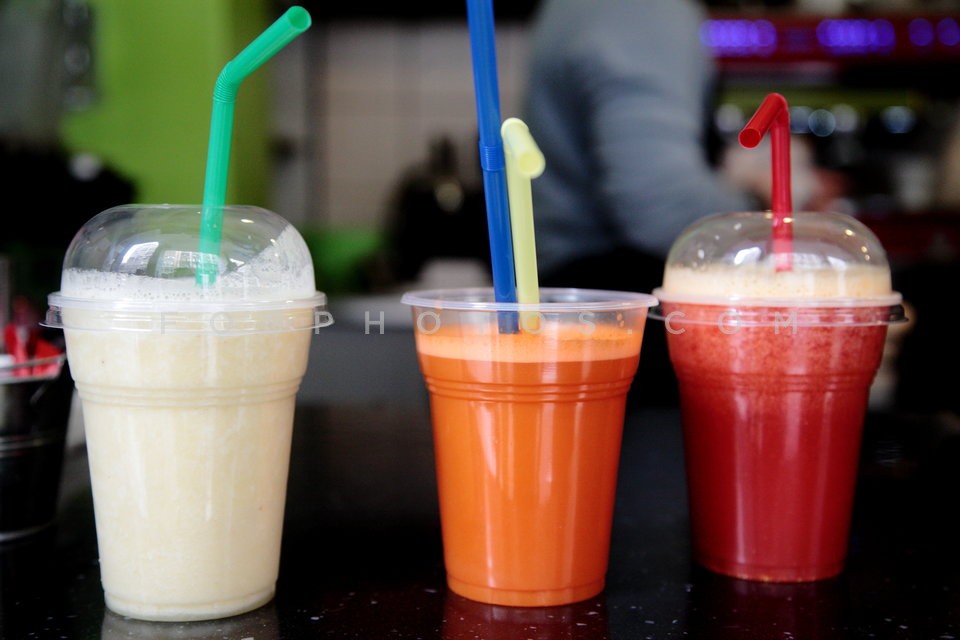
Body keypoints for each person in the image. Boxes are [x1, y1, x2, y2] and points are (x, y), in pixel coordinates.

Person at [522, 0, 759, 406]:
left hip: (579, 305)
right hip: (625, 316)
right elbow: (659, 207)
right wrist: (765, 210)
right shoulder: (640, 10)